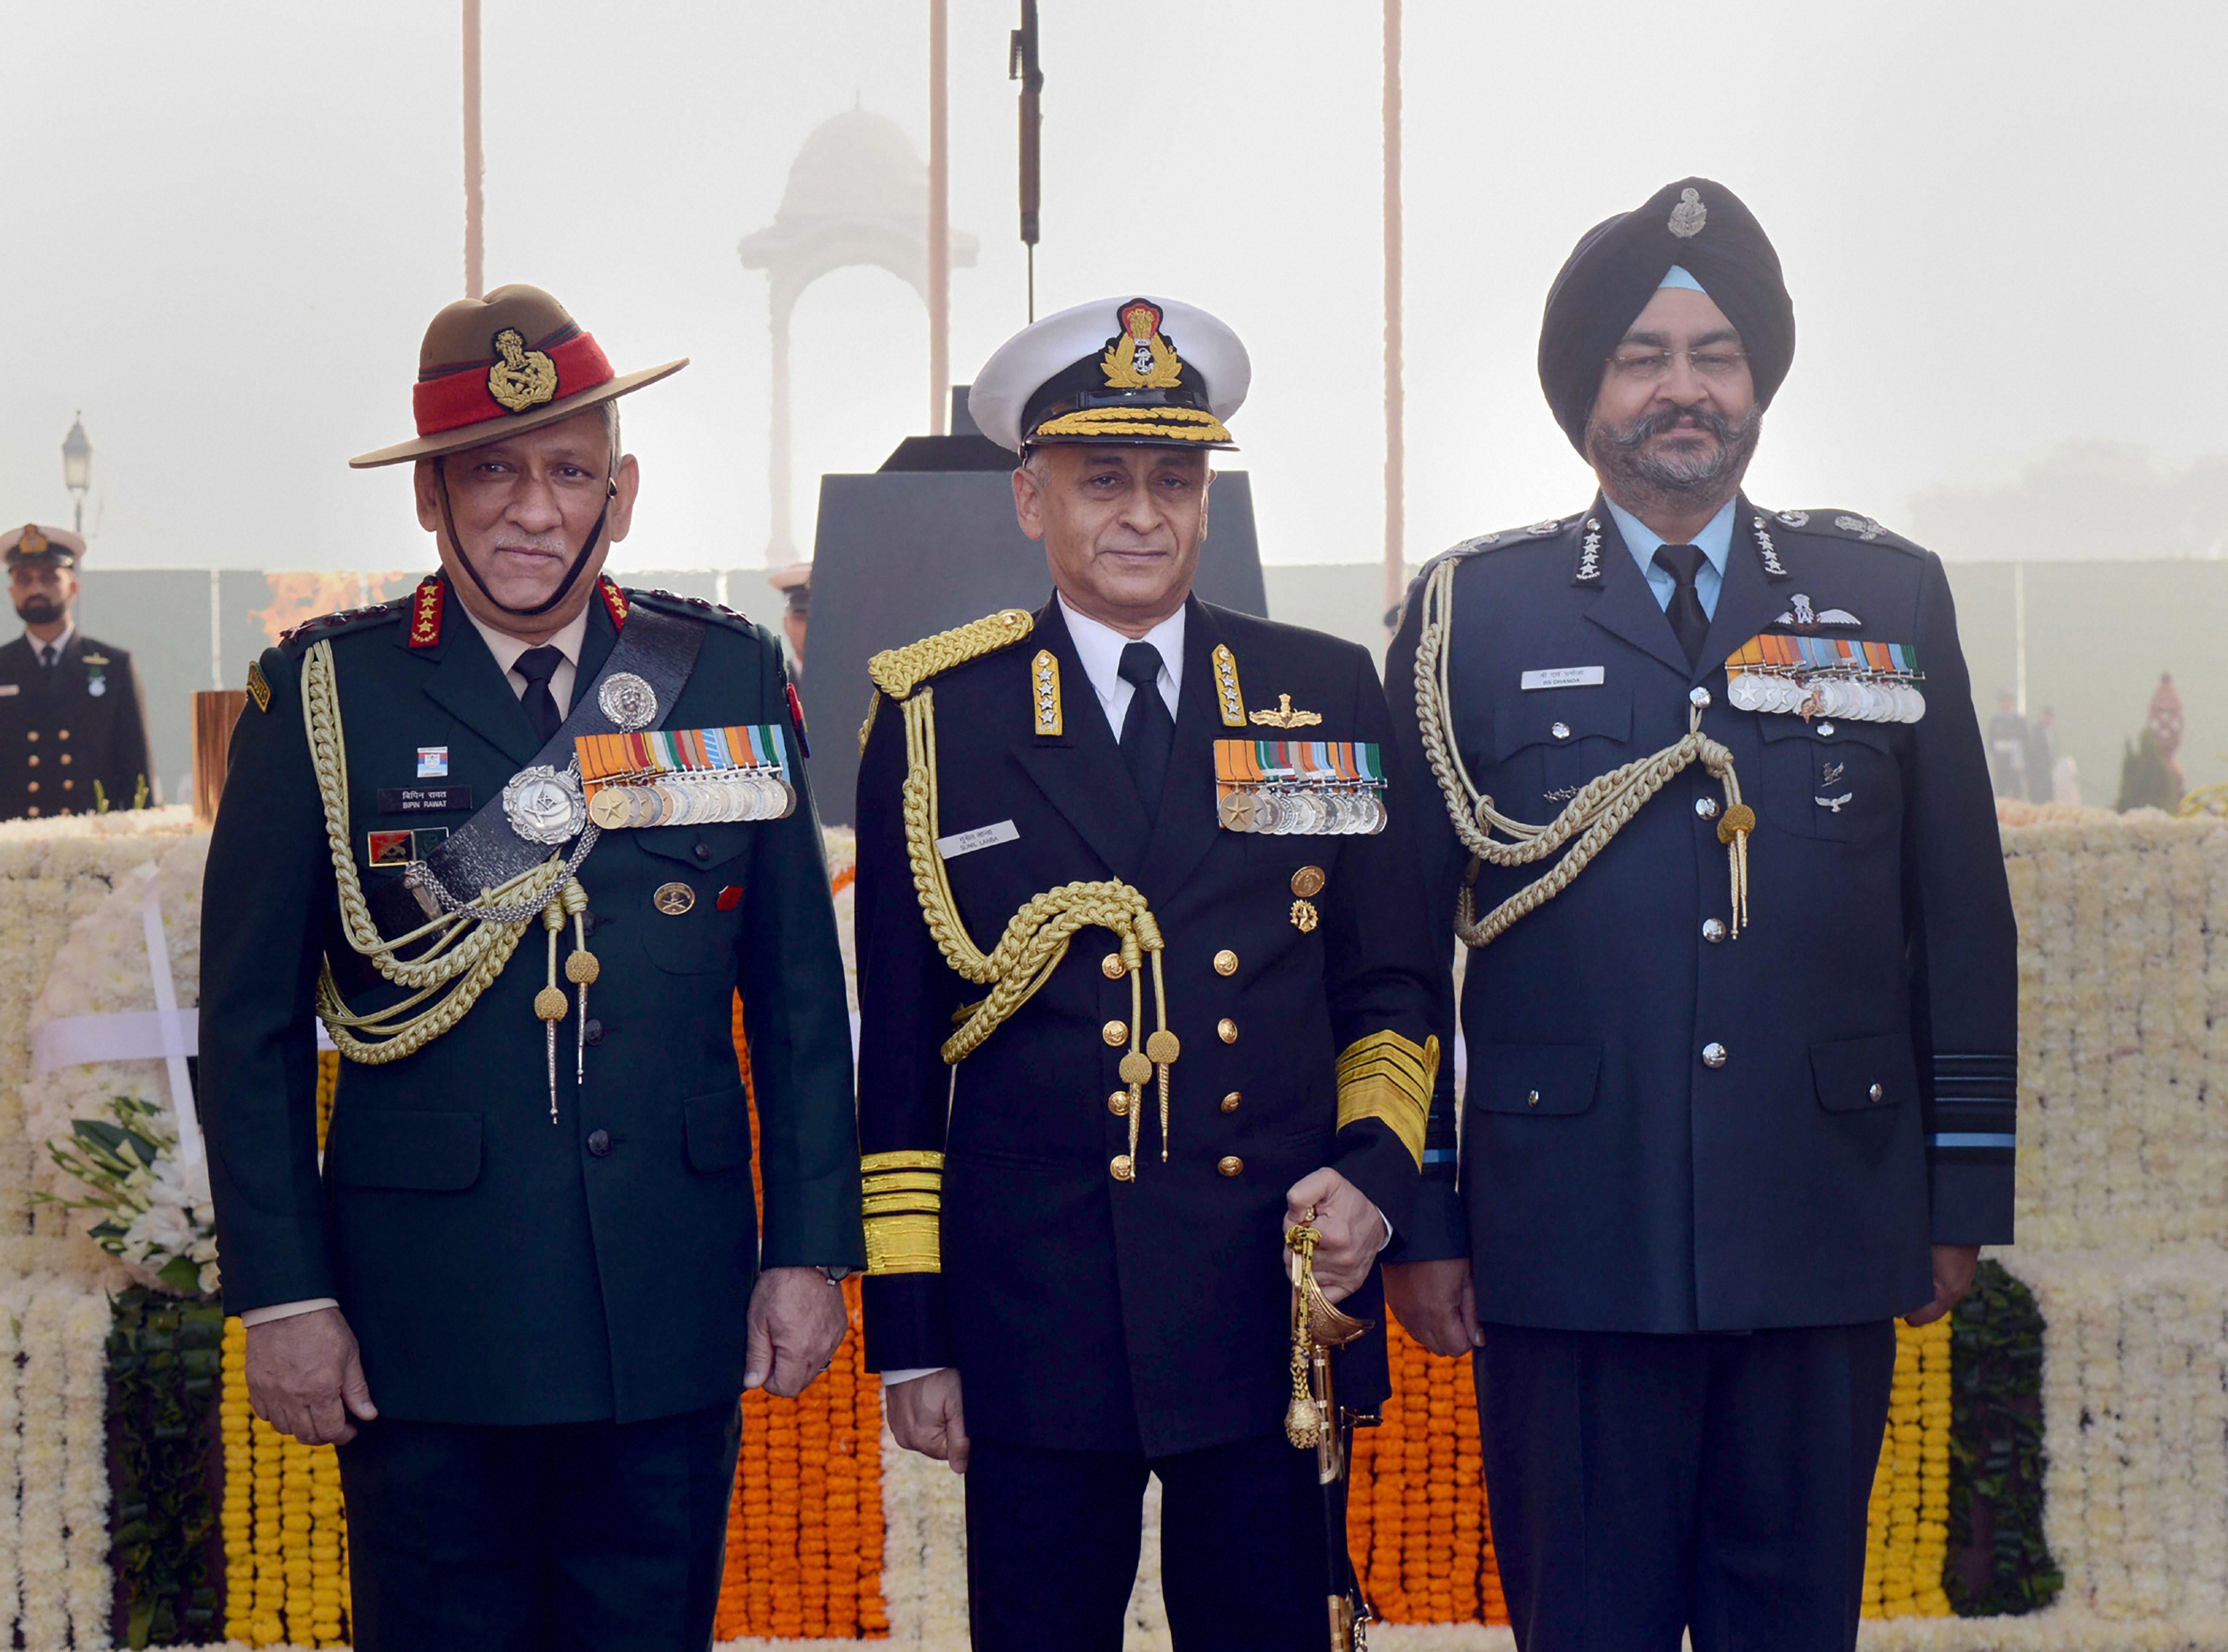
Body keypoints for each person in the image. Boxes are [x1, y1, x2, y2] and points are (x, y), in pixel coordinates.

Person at [1383, 179, 2018, 1652]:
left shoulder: (1883, 591)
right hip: (1566, 1239)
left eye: (1716, 354)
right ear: (1585, 396)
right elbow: (1399, 952)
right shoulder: (1474, 613)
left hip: (1820, 1218)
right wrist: (1424, 1203)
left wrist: (1958, 1193)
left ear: (1757, 384)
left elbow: (1959, 919)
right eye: (1643, 357)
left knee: (1790, 1627)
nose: (1684, 388)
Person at [199, 283, 864, 1652]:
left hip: (668, 1301)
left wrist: (807, 1249)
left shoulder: (725, 677)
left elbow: (796, 999)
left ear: (621, 495)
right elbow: (251, 1024)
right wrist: (284, 1292)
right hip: (422, 1318)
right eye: (490, 472)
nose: (531, 509)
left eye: (569, 472)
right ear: (431, 498)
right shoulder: (326, 699)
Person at [852, 295, 1443, 1649]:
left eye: (1172, 481)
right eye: (1100, 479)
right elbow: (901, 1051)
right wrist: (915, 1329)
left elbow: (1392, 985)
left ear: (1204, 503)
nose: (1139, 513)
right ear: (1027, 498)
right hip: (1032, 1312)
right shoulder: (941, 716)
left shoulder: (1322, 691)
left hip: (1265, 1298)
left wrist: (1375, 1171)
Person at [0, 521, 152, 819]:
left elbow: (136, 774)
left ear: (73, 588)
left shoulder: (114, 666)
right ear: (12, 591)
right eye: (24, 579)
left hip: (92, 847)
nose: (36, 589)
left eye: (49, 578)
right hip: (10, 849)